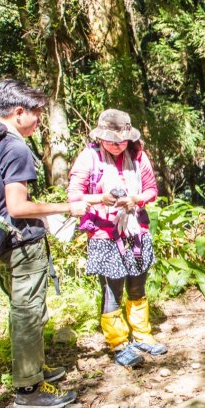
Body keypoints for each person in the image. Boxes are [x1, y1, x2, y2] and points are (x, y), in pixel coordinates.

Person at [0, 79, 87, 408]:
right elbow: (18, 206)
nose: (39, 121)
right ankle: (29, 390)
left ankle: (35, 367)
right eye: (37, 115)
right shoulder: (15, 148)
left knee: (23, 308)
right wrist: (65, 208)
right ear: (19, 112)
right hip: (21, 241)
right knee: (28, 311)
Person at [68, 109, 164, 368]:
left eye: (122, 140)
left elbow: (151, 189)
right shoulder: (89, 158)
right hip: (104, 233)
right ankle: (118, 341)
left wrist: (136, 199)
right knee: (112, 288)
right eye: (111, 141)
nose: (118, 145)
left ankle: (142, 333)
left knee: (137, 284)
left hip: (136, 229)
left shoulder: (138, 156)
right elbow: (74, 196)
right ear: (100, 137)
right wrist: (102, 198)